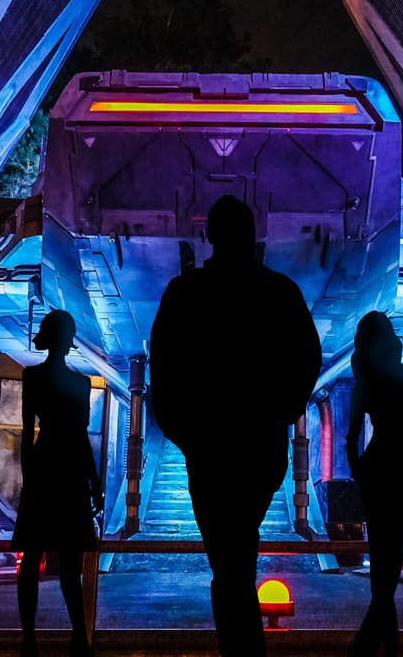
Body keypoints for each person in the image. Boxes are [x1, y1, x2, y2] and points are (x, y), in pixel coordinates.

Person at [149, 194, 322, 656]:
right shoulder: (281, 292)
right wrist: (276, 418)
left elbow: (162, 371)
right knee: (236, 560)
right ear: (254, 235)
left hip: (208, 451)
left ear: (210, 236)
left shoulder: (183, 294)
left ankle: (242, 652)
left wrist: (187, 436)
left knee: (228, 565)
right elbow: (307, 363)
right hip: (260, 448)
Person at [344, 311, 403, 657]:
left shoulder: (366, 382)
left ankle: (375, 640)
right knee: (391, 558)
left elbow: (350, 439)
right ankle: (378, 641)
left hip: (377, 471)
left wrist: (357, 470)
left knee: (382, 555)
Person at [11, 309, 102, 657]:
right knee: (70, 565)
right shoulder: (80, 384)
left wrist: (27, 479)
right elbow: (80, 437)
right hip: (71, 471)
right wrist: (93, 483)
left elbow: (25, 433)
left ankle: (29, 639)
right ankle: (79, 637)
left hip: (44, 466)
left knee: (31, 559)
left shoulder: (31, 377)